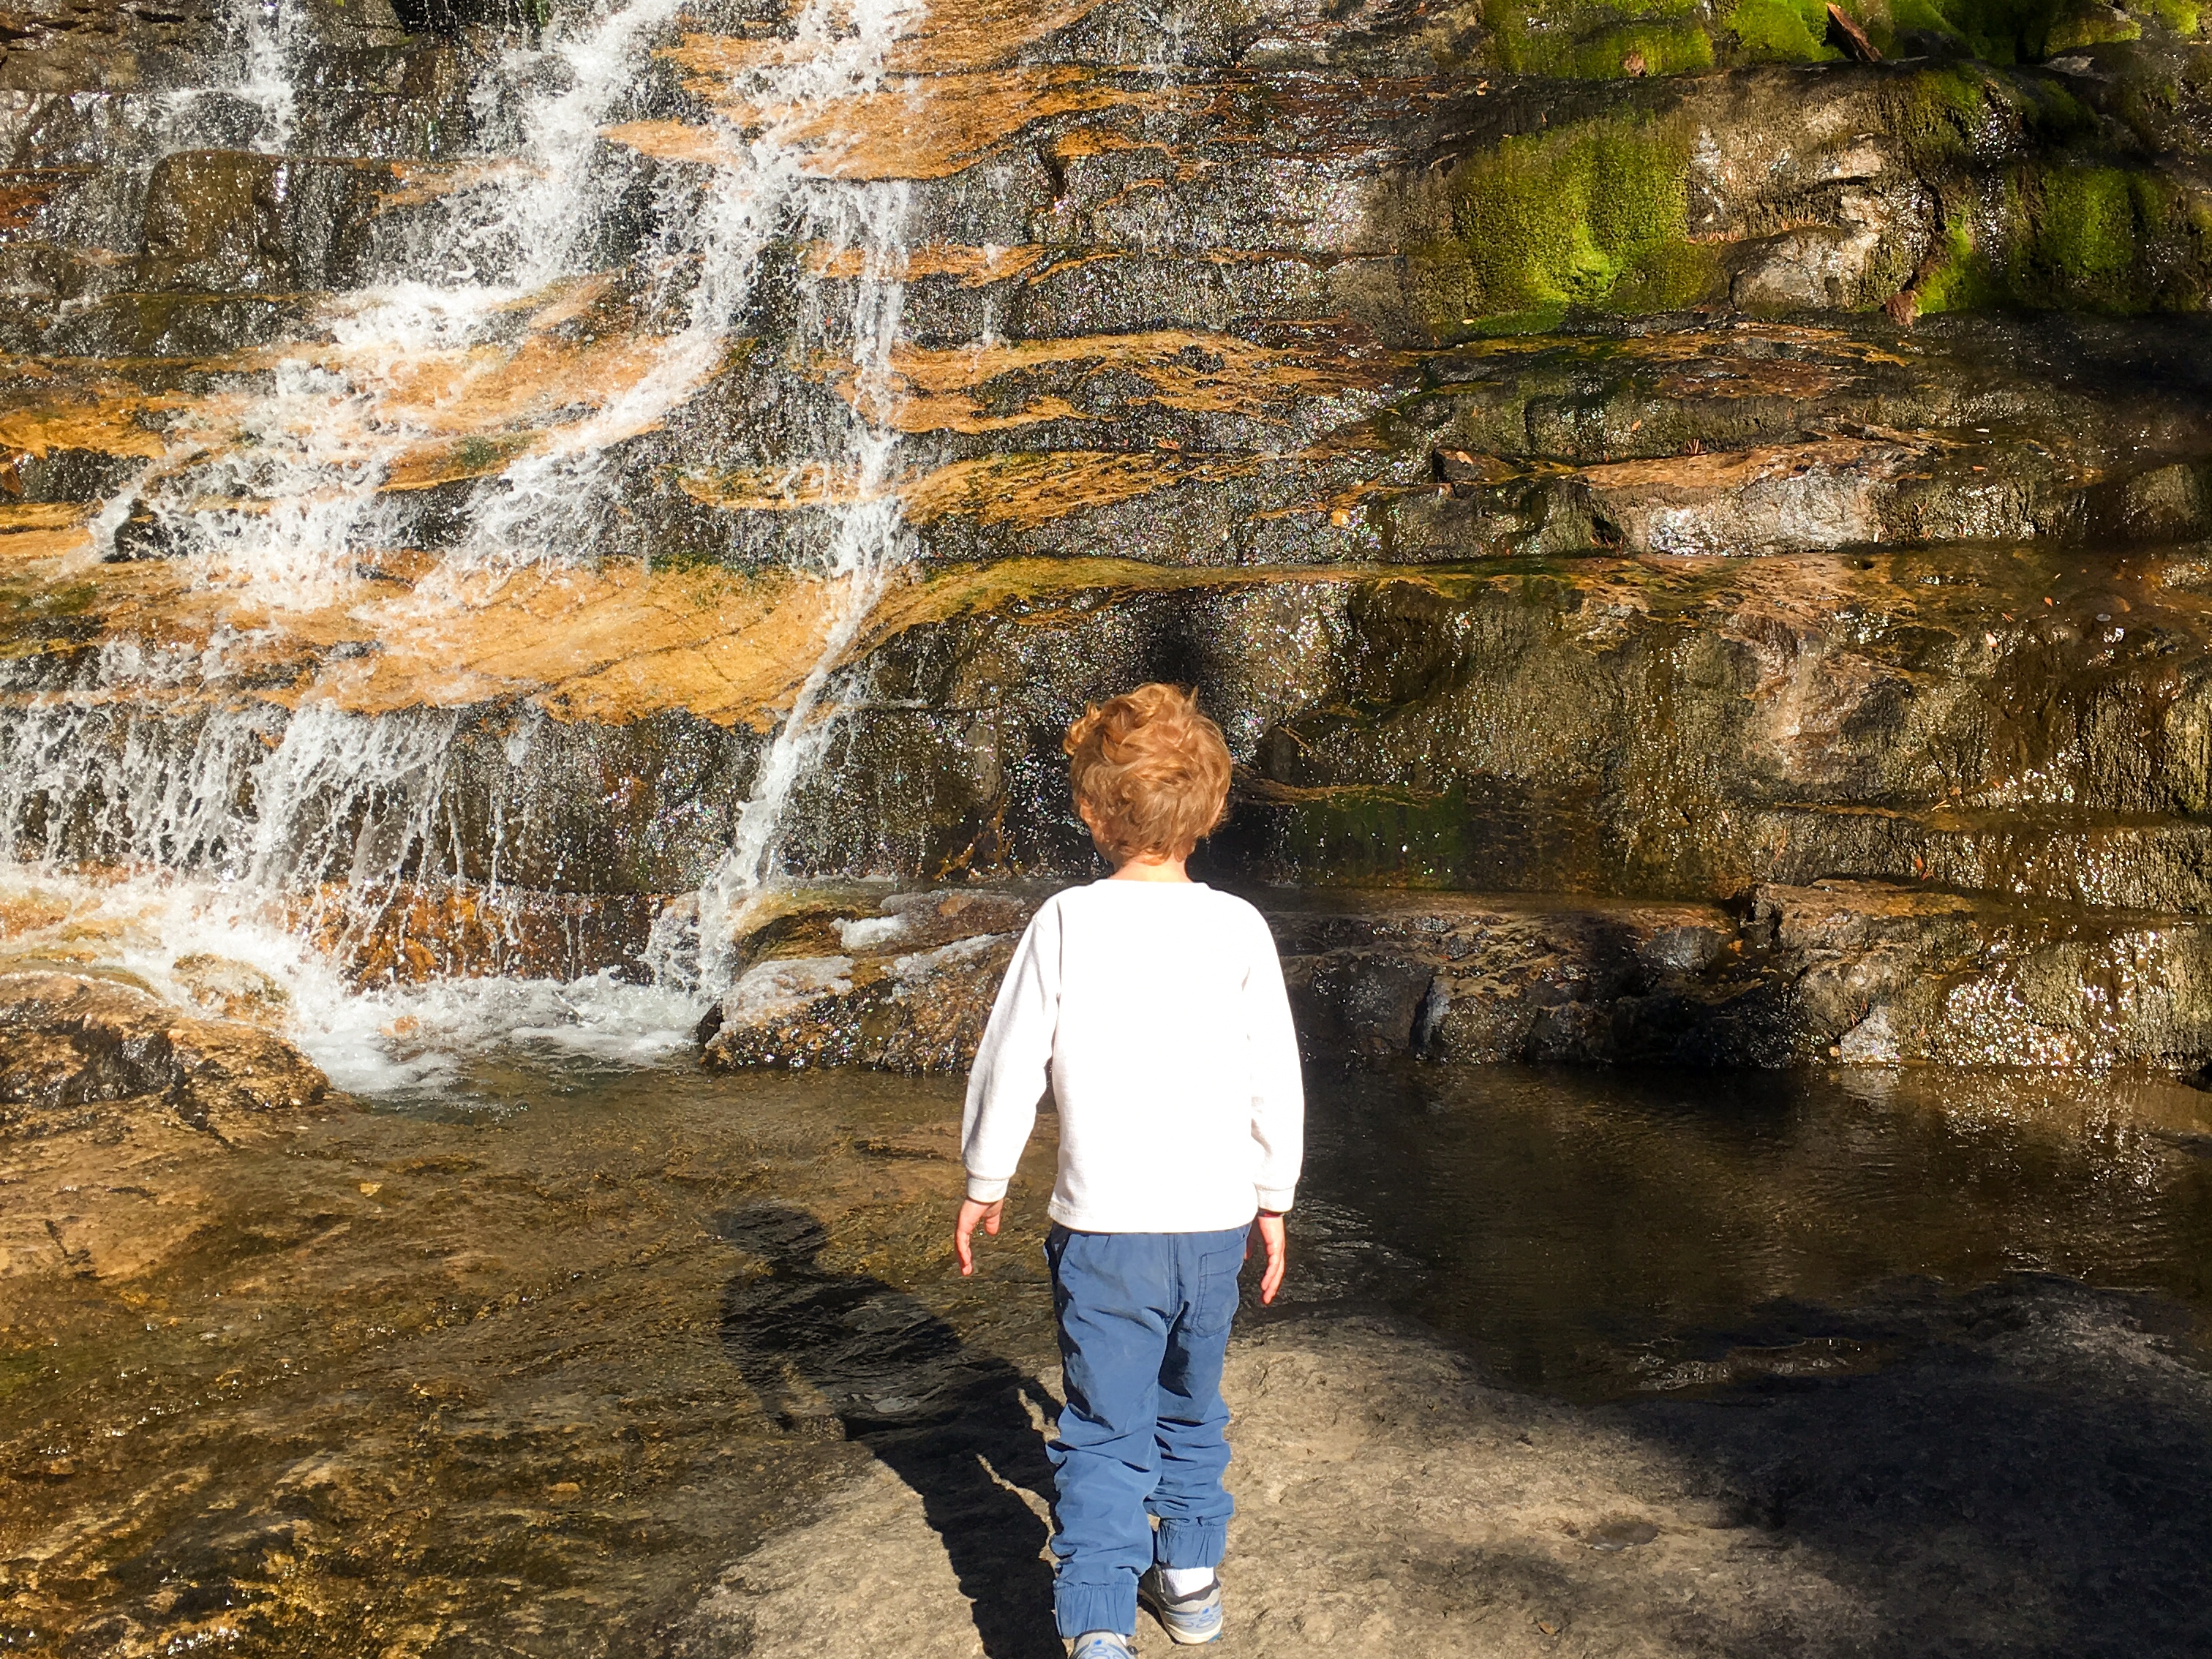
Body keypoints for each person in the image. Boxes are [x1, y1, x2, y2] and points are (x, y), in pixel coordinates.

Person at [953, 682, 1306, 1658]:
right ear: (1216, 810)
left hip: (1105, 1234)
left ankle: (1101, 1624)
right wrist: (1272, 1199)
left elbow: (1011, 1062)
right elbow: (1273, 1077)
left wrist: (986, 1182)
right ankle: (1189, 1582)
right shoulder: (1238, 928)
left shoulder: (1067, 921)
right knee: (1191, 1405)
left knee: (1106, 1430)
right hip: (1210, 1229)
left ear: (1090, 810)